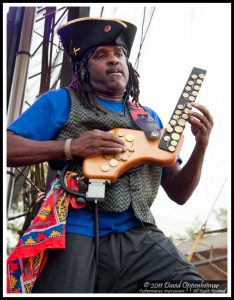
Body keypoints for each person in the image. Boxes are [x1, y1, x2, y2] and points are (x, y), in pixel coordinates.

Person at [7, 17, 213, 294]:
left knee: (196, 289)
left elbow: (179, 193)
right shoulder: (61, 101)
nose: (114, 60)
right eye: (101, 55)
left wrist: (201, 145)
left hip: (139, 234)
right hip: (74, 231)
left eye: (119, 54)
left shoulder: (148, 118)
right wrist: (70, 147)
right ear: (82, 68)